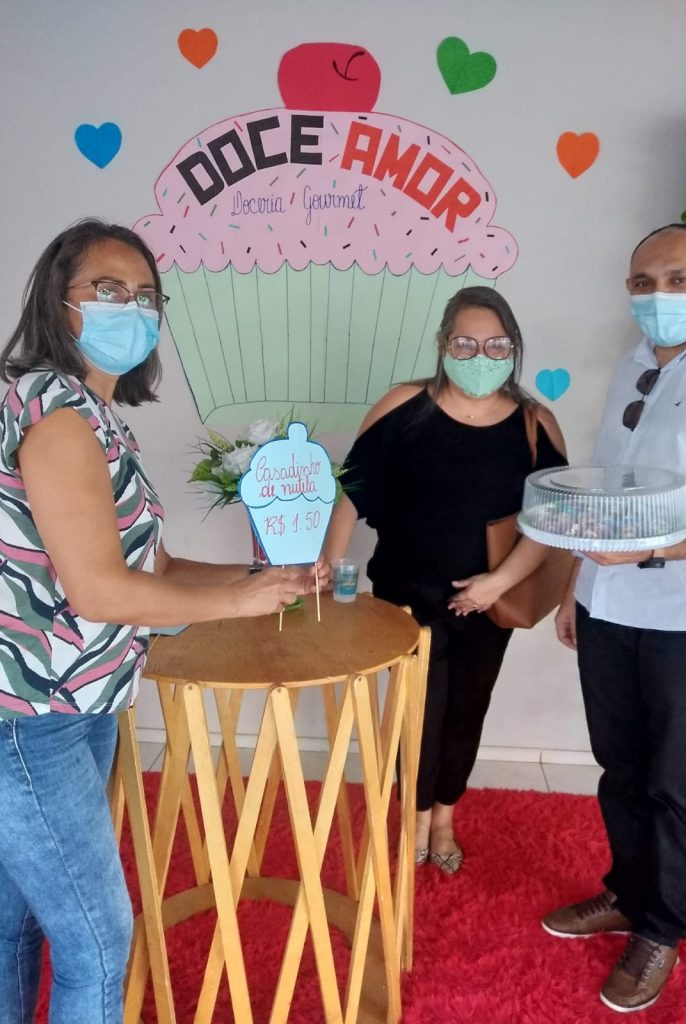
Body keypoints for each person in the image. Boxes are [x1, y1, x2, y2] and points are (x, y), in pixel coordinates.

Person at [0, 219, 328, 1024]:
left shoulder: (96, 413)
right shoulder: (58, 415)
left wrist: (262, 579)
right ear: (58, 300)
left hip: (80, 701)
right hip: (29, 718)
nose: (132, 308)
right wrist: (238, 602)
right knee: (98, 942)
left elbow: (156, 568)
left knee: (20, 920)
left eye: (147, 296)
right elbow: (101, 592)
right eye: (108, 289)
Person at [542, 224, 686, 1013]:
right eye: (643, 282)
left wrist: (661, 548)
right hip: (608, 605)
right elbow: (607, 491)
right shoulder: (632, 364)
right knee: (621, 766)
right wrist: (576, 585)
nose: (658, 294)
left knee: (675, 780)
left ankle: (661, 929)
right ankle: (627, 894)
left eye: (678, 279)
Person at [324, 285, 567, 873]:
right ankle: (412, 819)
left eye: (495, 345)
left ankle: (444, 820)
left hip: (492, 599)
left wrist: (495, 584)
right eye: (465, 343)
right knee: (419, 714)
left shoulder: (535, 423)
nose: (480, 356)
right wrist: (328, 566)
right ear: (442, 344)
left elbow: (554, 518)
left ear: (513, 348)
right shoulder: (404, 406)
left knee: (467, 710)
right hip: (407, 596)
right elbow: (352, 491)